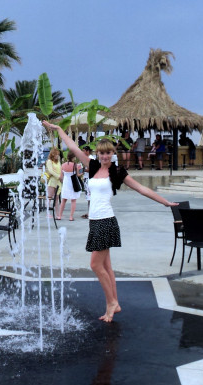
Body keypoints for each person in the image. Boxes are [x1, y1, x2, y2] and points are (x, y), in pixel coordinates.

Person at [42, 120, 177, 323]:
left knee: (95, 265)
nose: (105, 156)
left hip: (106, 222)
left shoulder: (117, 172)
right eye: (102, 153)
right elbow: (73, 148)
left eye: (108, 153)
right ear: (98, 154)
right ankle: (114, 304)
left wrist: (164, 202)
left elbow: (141, 189)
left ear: (113, 153)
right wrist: (59, 129)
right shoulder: (93, 166)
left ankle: (112, 302)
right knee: (107, 266)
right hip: (95, 222)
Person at [57, 152, 82, 221]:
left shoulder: (63, 165)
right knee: (73, 200)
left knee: (63, 200)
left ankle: (59, 216)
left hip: (66, 183)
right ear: (73, 157)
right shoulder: (76, 165)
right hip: (73, 183)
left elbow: (61, 177)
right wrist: (82, 172)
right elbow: (78, 175)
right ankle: (71, 217)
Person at [81, 146, 93, 219]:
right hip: (86, 178)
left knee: (89, 196)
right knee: (88, 196)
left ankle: (90, 212)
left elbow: (91, 169)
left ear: (87, 151)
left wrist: (83, 170)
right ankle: (89, 211)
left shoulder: (90, 158)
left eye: (84, 151)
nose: (83, 152)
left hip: (89, 178)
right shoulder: (86, 158)